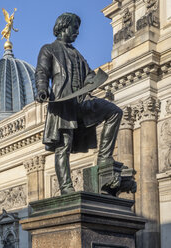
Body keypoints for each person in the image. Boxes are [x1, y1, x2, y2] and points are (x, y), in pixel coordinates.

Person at [35, 13, 123, 195]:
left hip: (81, 101)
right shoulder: (49, 49)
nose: (77, 33)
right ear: (64, 27)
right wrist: (42, 90)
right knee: (63, 145)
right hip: (63, 103)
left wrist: (96, 79)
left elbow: (88, 75)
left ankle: (104, 159)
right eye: (74, 28)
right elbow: (42, 72)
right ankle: (66, 187)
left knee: (114, 112)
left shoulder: (77, 54)